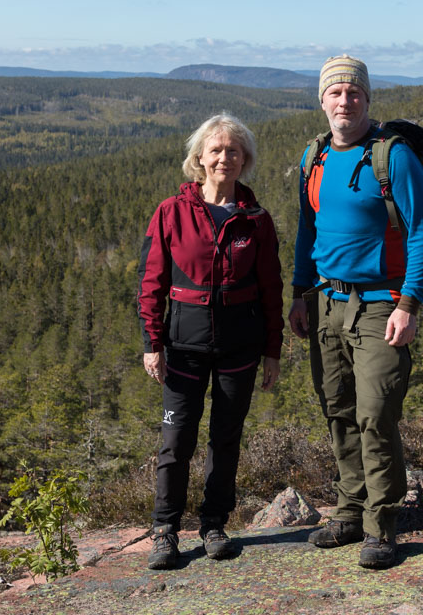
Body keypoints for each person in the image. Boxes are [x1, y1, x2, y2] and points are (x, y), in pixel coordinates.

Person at [288, 55, 423, 569]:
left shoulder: (392, 157)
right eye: (335, 93)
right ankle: (349, 511)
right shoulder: (315, 157)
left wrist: (409, 303)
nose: (344, 101)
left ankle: (382, 524)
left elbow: (422, 232)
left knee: (376, 414)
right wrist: (298, 294)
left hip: (382, 306)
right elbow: (307, 230)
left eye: (354, 93)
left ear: (368, 100)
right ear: (323, 101)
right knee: (338, 410)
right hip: (326, 302)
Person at [137, 113, 284, 570]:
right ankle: (165, 531)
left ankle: (214, 524)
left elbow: (272, 287)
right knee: (176, 439)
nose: (224, 158)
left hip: (240, 345)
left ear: (245, 160)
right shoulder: (171, 212)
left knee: (226, 437)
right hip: (183, 345)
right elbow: (151, 282)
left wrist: (273, 350)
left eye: (233, 151)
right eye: (216, 150)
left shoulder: (256, 219)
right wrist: (152, 341)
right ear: (199, 158)